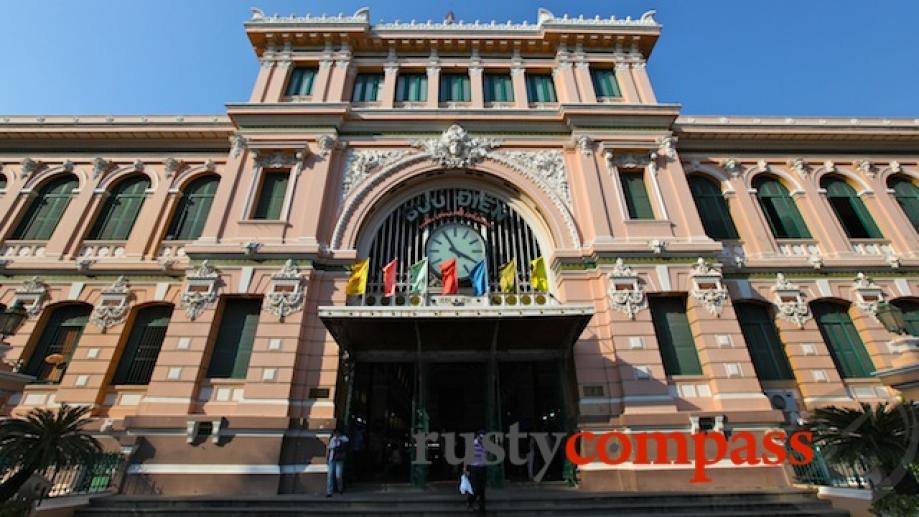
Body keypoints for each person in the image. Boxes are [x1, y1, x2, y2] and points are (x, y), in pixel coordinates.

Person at [326, 428, 350, 497]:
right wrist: (327, 458)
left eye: (337, 433)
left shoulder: (343, 438)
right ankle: (329, 491)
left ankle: (340, 488)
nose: (336, 434)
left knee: (338, 475)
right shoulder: (332, 439)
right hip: (332, 459)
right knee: (330, 475)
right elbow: (329, 448)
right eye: (335, 433)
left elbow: (346, 442)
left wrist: (339, 440)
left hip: (339, 459)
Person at [468, 430, 487, 513]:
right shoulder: (472, 444)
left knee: (482, 489)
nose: (482, 439)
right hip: (474, 468)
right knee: (475, 488)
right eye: (481, 437)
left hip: (482, 467)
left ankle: (481, 507)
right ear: (478, 436)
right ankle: (470, 502)